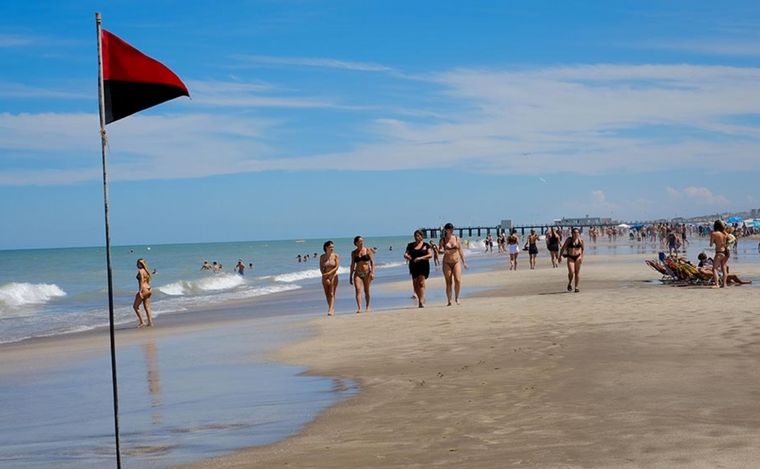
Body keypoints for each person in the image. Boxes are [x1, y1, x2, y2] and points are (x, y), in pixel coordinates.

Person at [439, 223, 468, 306]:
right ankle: (449, 300)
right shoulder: (443, 240)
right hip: (446, 263)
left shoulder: (456, 238)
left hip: (456, 261)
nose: (452, 230)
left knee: (458, 280)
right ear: (446, 230)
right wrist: (443, 251)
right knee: (448, 282)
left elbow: (460, 250)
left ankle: (457, 297)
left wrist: (464, 262)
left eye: (452, 229)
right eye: (450, 229)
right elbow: (439, 250)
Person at [405, 230, 433, 308]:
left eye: (418, 236)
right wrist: (407, 256)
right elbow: (406, 254)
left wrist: (420, 258)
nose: (416, 237)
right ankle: (420, 297)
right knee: (415, 284)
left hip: (423, 266)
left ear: (422, 236)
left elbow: (430, 255)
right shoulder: (410, 245)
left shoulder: (426, 245)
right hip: (413, 266)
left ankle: (420, 300)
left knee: (421, 282)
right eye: (415, 236)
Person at [349, 235, 374, 313]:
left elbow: (372, 262)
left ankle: (367, 307)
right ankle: (359, 308)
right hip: (357, 273)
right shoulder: (353, 252)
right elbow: (352, 264)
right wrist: (350, 276)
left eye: (362, 241)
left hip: (367, 273)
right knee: (358, 290)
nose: (361, 243)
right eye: (360, 241)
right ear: (356, 243)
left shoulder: (367, 250)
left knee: (367, 290)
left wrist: (372, 272)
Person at [320, 240, 340, 316]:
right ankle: (331, 308)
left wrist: (329, 274)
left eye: (333, 247)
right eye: (330, 247)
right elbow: (321, 267)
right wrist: (325, 275)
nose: (332, 248)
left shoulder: (336, 256)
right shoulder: (322, 256)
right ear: (326, 247)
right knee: (327, 293)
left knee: (332, 293)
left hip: (333, 276)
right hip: (325, 276)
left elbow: (337, 267)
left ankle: (330, 309)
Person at [561, 228, 584, 292]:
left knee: (577, 273)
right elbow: (563, 248)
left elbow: (582, 250)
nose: (576, 234)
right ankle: (570, 283)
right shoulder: (569, 240)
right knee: (571, 272)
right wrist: (560, 257)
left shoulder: (581, 240)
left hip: (578, 257)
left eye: (577, 232)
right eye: (575, 232)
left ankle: (576, 287)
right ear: (572, 233)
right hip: (570, 257)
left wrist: (582, 257)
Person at [133, 258, 154, 327]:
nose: (136, 264)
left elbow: (141, 281)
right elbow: (147, 281)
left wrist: (140, 291)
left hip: (144, 289)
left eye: (138, 263)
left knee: (135, 306)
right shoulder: (146, 271)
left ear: (140, 264)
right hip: (148, 289)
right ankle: (150, 322)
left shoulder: (141, 271)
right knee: (147, 307)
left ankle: (142, 322)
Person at [710, 220, 729, 288]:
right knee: (724, 268)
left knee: (714, 268)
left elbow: (711, 244)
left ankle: (717, 284)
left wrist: (715, 241)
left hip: (719, 252)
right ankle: (724, 284)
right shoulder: (725, 233)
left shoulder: (714, 233)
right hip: (726, 252)